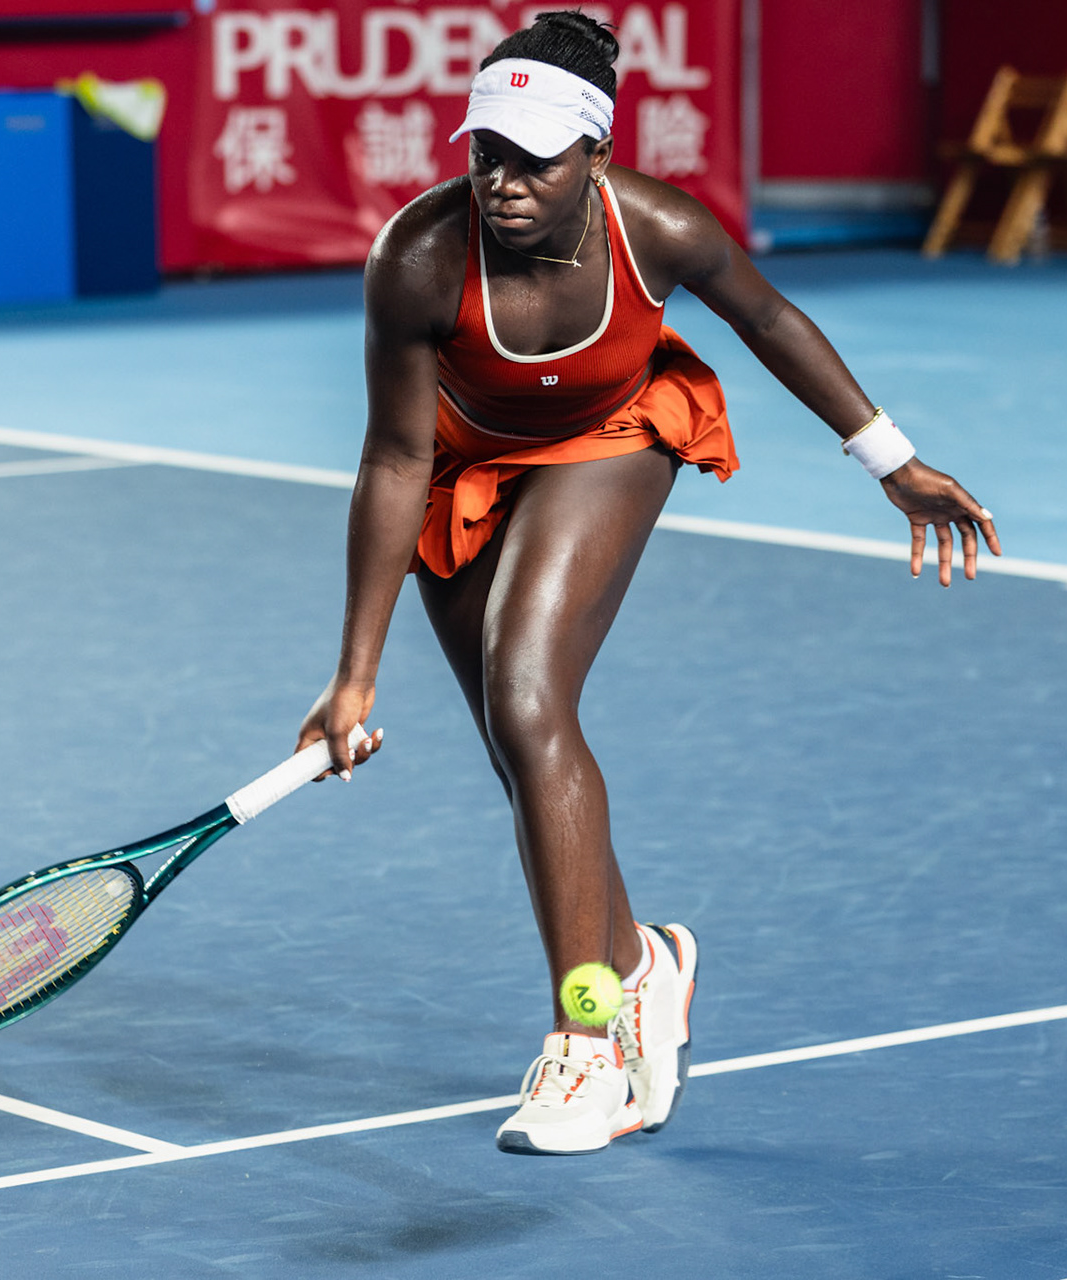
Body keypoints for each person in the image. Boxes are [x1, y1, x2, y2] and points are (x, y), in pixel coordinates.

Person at [297, 10, 999, 1156]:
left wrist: (892, 460)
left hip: (610, 437)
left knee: (529, 698)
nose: (503, 179)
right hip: (465, 465)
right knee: (520, 743)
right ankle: (641, 961)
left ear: (598, 156)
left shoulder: (659, 228)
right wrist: (354, 674)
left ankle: (591, 1043)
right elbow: (393, 456)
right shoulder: (419, 258)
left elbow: (770, 320)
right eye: (486, 150)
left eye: (534, 157)